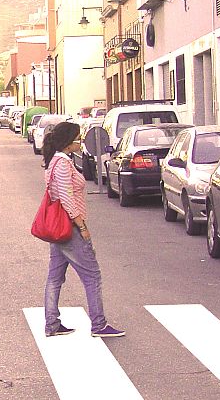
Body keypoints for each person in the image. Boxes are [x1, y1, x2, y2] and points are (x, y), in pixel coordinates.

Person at [41, 121, 125, 338]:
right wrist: (81, 225)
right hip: (69, 228)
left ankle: (52, 323)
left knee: (55, 276)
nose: (80, 142)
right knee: (92, 276)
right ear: (68, 143)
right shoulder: (62, 163)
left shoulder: (55, 161)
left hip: (59, 228)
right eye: (77, 139)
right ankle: (99, 325)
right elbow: (66, 197)